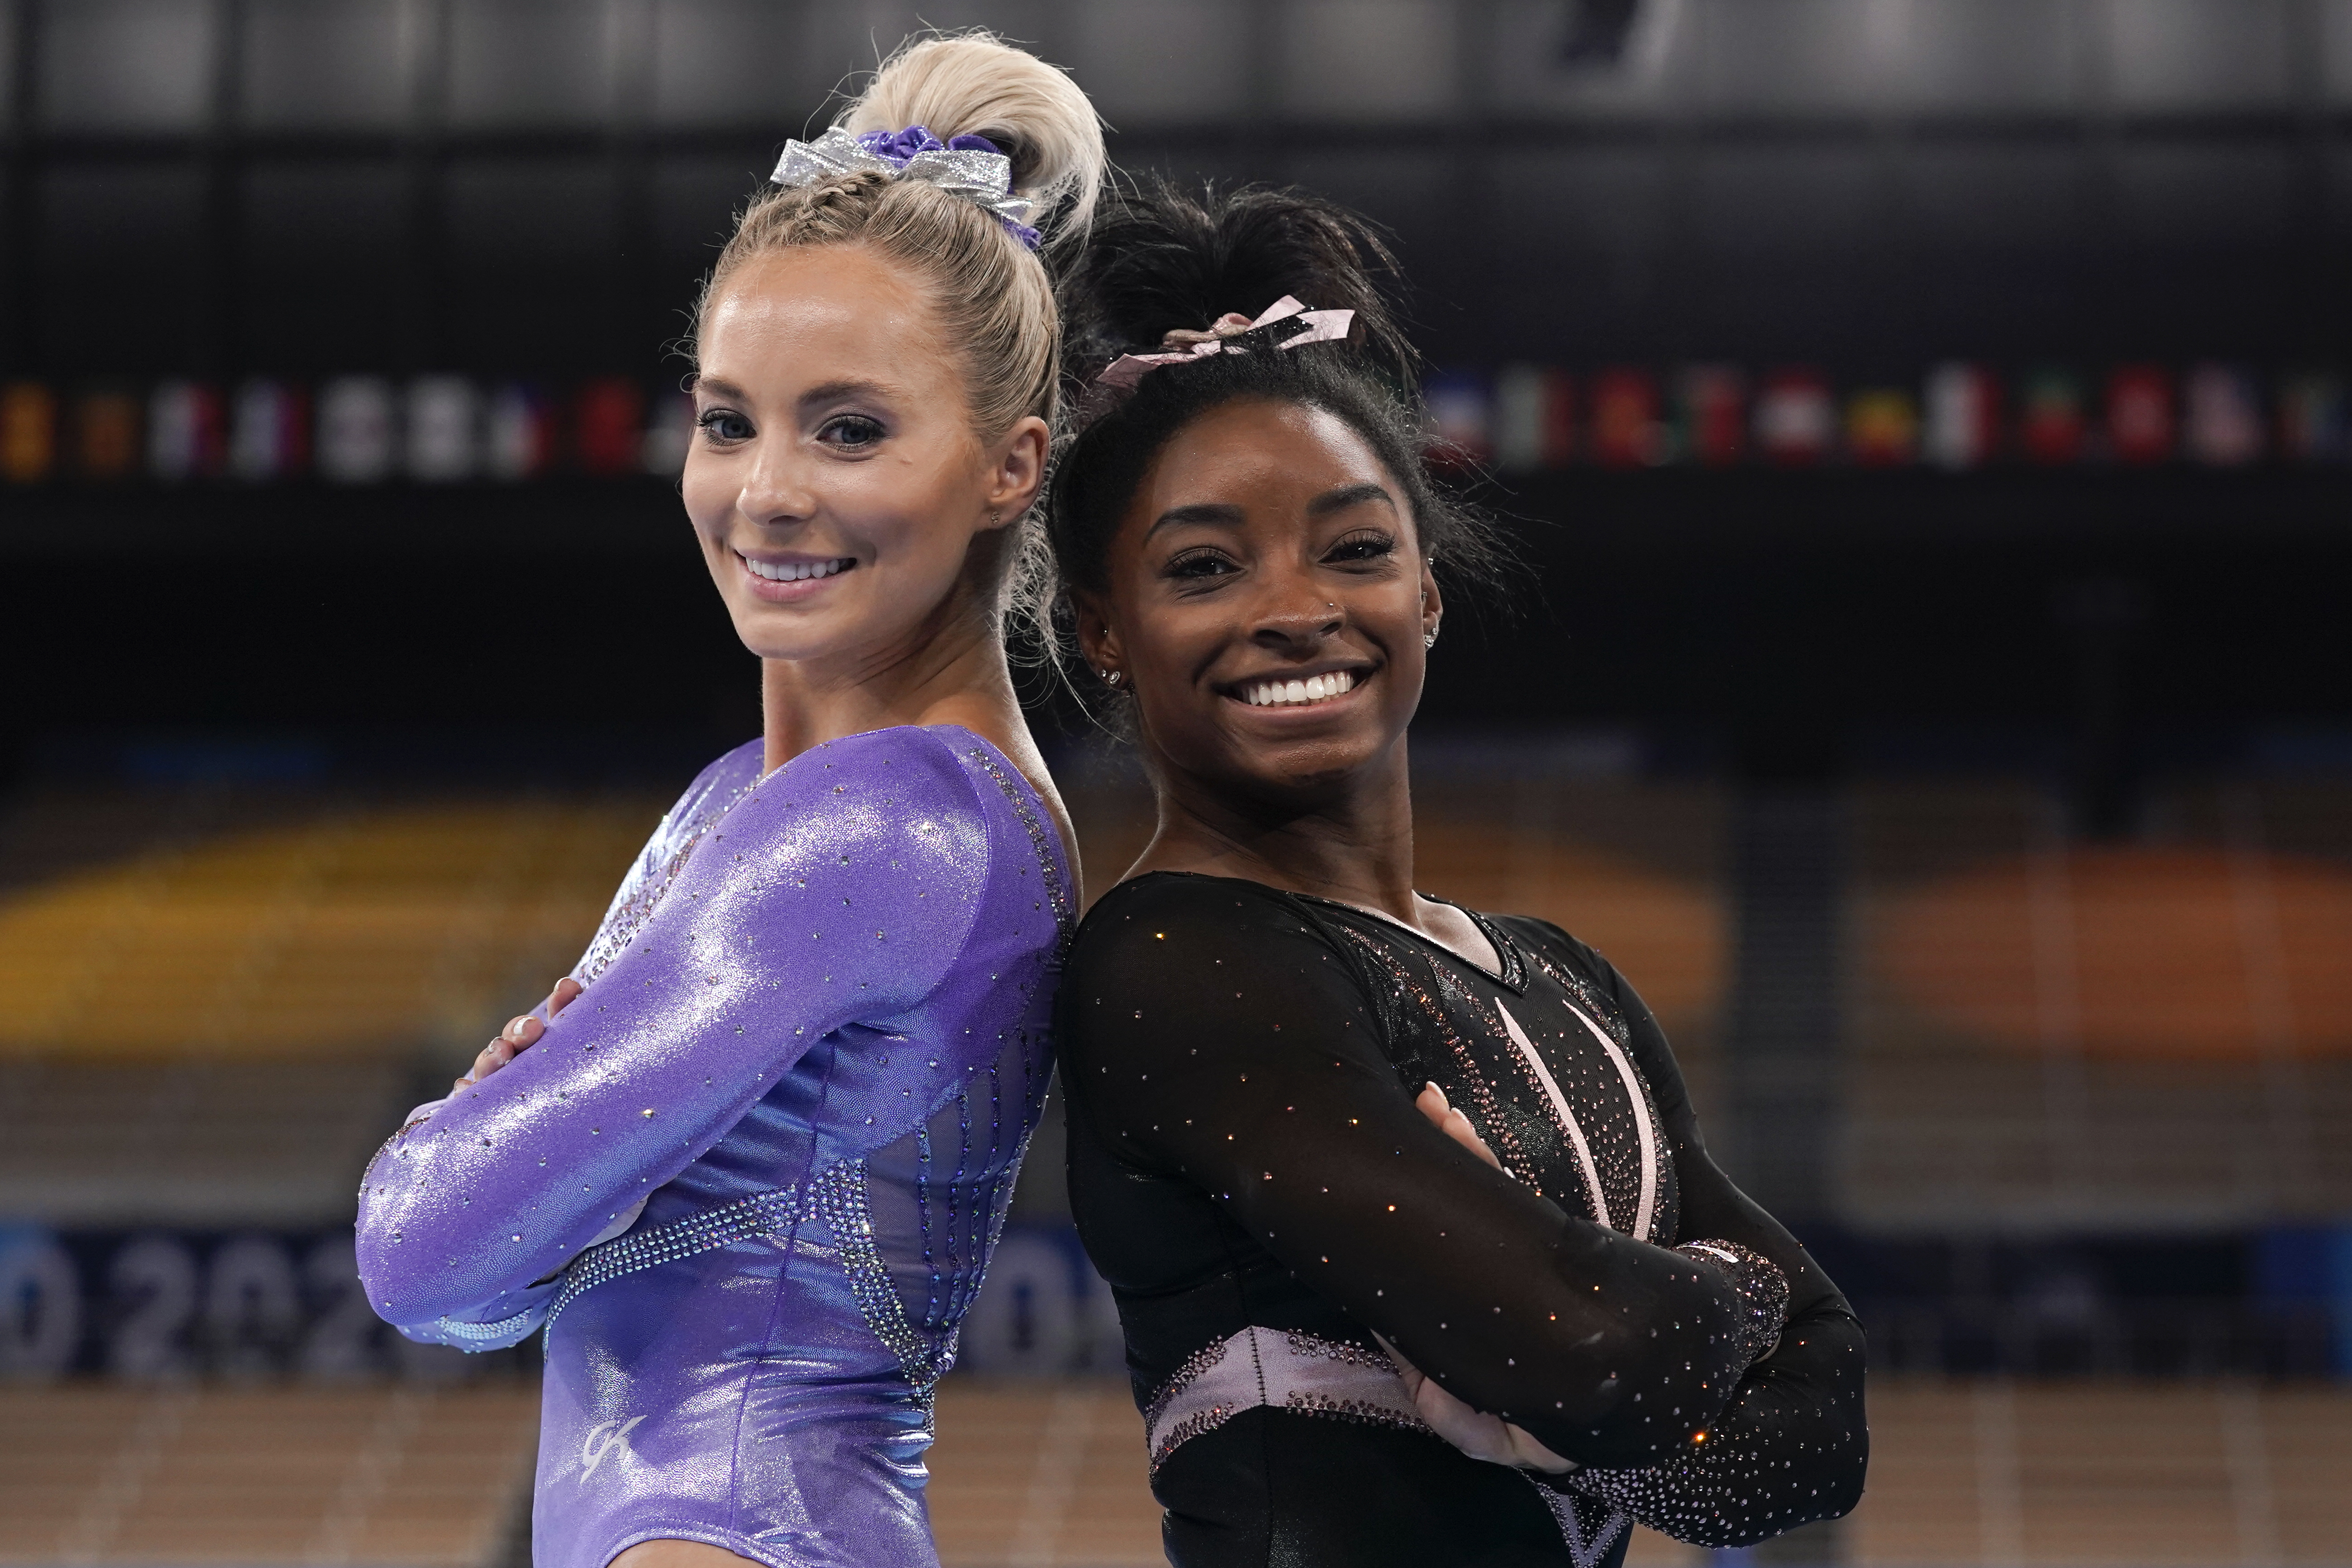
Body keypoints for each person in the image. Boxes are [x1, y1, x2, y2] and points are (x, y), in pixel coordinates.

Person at [354, 34, 1104, 1568]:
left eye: (850, 428)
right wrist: (515, 1178)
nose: (766, 489)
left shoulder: (884, 826)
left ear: (1010, 465)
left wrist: (487, 1131)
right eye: (726, 418)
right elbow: (483, 1294)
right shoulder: (770, 802)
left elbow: (422, 1256)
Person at [1045, 182, 1868, 1568]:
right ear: (1105, 628)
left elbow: (1818, 1443)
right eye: (1205, 566)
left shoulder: (1562, 976)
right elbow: (1596, 1354)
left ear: (1426, 587)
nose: (1297, 607)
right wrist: (1720, 1300)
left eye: (1355, 547)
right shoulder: (1177, 963)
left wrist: (1581, 1355)